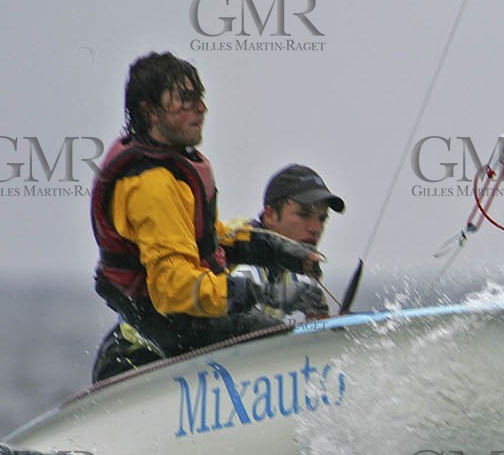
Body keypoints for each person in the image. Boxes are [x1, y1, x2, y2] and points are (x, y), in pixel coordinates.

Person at [89, 52, 320, 382]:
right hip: (170, 327)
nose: (201, 108)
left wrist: (282, 252)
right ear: (149, 111)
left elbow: (210, 240)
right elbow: (172, 289)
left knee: (272, 330)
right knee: (277, 337)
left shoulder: (174, 172)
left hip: (186, 321)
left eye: (200, 98)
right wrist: (260, 294)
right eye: (185, 99)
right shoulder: (150, 186)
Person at [237, 164, 346, 322]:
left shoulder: (296, 273)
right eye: (304, 214)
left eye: (322, 219)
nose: (316, 228)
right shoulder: (241, 266)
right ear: (270, 215)